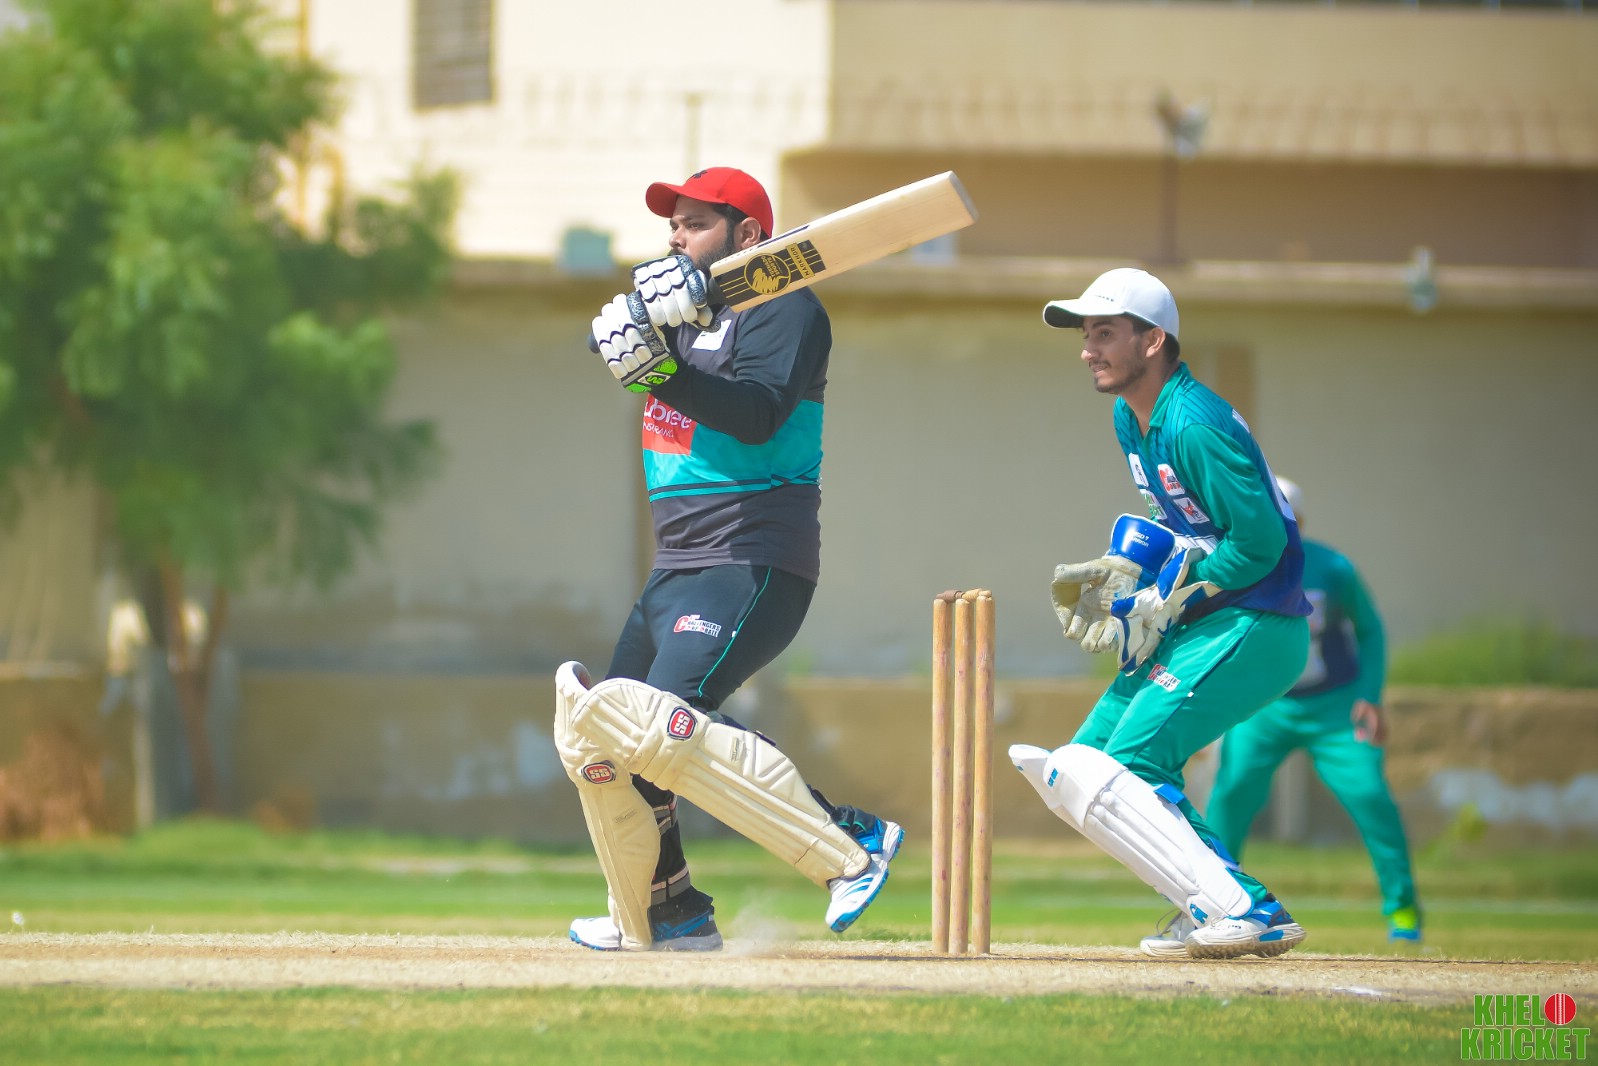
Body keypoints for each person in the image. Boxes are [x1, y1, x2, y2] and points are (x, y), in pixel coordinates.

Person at [554, 167, 902, 953]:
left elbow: (757, 414)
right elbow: (603, 341)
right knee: (610, 732)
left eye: (695, 224)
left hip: (752, 555)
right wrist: (641, 313)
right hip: (676, 561)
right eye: (672, 225)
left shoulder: (788, 308)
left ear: (747, 235)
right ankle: (671, 911)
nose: (676, 237)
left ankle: (848, 837)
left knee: (663, 721)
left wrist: (662, 369)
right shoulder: (685, 309)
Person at [1009, 266, 1314, 960]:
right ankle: (1209, 899)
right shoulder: (1130, 417)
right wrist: (1134, 576)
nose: (1088, 350)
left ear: (1152, 341)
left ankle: (1246, 908)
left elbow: (1260, 543)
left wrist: (1179, 591)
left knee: (1136, 763)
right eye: (1086, 336)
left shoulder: (1192, 423)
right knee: (1087, 765)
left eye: (1105, 334)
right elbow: (1189, 528)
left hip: (1258, 620)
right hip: (1212, 616)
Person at [1206, 476, 1422, 943]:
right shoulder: (1235, 563)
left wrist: (1370, 694)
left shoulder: (1333, 567)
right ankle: (1212, 903)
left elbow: (1370, 629)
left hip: (1334, 706)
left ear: (1298, 520)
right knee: (1231, 792)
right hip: (1264, 705)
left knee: (1369, 793)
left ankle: (1403, 909)